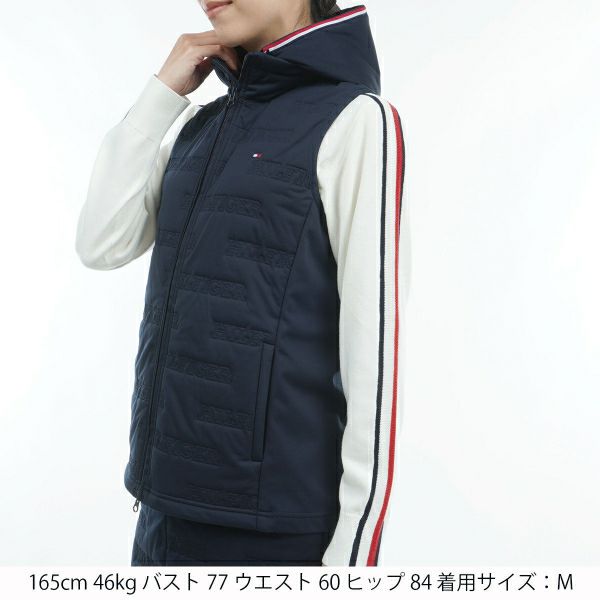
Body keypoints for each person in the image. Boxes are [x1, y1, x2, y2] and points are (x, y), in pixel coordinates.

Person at [75, 0, 410, 566]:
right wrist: (161, 96)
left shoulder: (357, 120)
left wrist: (354, 566)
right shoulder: (202, 125)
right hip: (161, 514)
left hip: (271, 535)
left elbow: (376, 356)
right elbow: (101, 243)